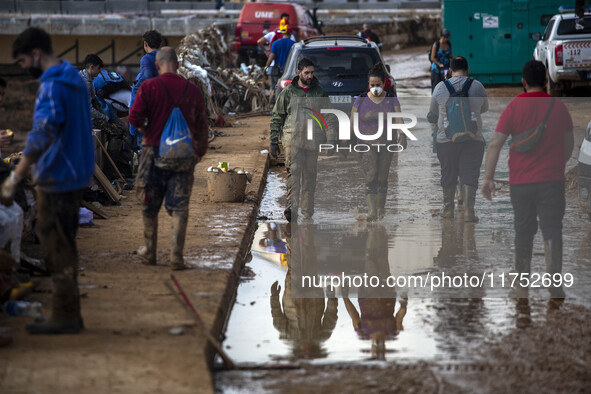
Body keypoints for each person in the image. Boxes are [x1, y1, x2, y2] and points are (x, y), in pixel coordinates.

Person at [2, 27, 94, 334]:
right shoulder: (75, 79)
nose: (25, 68)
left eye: (25, 61)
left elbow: (43, 134)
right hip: (78, 172)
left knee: (56, 246)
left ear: (36, 54)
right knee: (65, 242)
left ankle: (66, 315)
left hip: (57, 176)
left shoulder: (52, 86)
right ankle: (68, 311)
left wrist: (16, 175)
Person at [481, 60, 574, 299]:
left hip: (521, 184)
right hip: (552, 182)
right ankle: (555, 284)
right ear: (546, 81)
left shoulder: (513, 107)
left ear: (523, 82)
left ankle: (521, 286)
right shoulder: (559, 107)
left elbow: (495, 144)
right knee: (552, 230)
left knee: (523, 231)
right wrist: (557, 167)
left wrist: (488, 178)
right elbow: (569, 144)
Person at [128, 47, 208, 271]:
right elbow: (202, 125)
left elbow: (134, 118)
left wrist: (147, 130)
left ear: (158, 65)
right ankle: (176, 257)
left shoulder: (148, 87)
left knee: (148, 205)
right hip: (184, 155)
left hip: (153, 153)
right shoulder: (192, 89)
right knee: (180, 207)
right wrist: (199, 152)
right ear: (178, 64)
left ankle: (150, 252)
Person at [269, 58, 335, 222]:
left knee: (310, 176)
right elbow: (277, 116)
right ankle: (292, 209)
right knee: (294, 173)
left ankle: (307, 213)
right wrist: (273, 140)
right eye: (307, 73)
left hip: (313, 141)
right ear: (299, 73)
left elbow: (329, 117)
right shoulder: (288, 93)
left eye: (312, 72)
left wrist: (332, 139)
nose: (310, 76)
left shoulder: (319, 92)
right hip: (293, 140)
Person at [428, 56, 488, 222]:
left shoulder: (440, 87)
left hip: (446, 140)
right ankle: (469, 213)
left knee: (448, 173)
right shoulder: (477, 86)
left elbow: (433, 112)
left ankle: (448, 211)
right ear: (467, 70)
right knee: (470, 173)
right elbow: (484, 108)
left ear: (450, 71)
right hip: (473, 138)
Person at [350, 63, 404, 221]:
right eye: (372, 85)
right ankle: (372, 211)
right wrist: (347, 141)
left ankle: (381, 210)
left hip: (387, 143)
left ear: (384, 84)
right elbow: (352, 123)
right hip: (366, 144)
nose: (375, 88)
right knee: (371, 175)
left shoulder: (391, 100)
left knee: (382, 177)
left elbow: (399, 120)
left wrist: (403, 134)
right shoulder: (360, 100)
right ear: (368, 84)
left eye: (378, 85)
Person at [129, 30, 162, 148]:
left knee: (144, 148)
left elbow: (147, 79)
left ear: (145, 44)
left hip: (147, 112)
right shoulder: (165, 58)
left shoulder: (147, 59)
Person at [79, 54, 112, 126]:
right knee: (114, 131)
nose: (100, 71)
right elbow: (89, 109)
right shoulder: (84, 83)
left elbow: (94, 102)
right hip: (78, 118)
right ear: (92, 67)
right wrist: (105, 118)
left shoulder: (85, 78)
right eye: (98, 68)